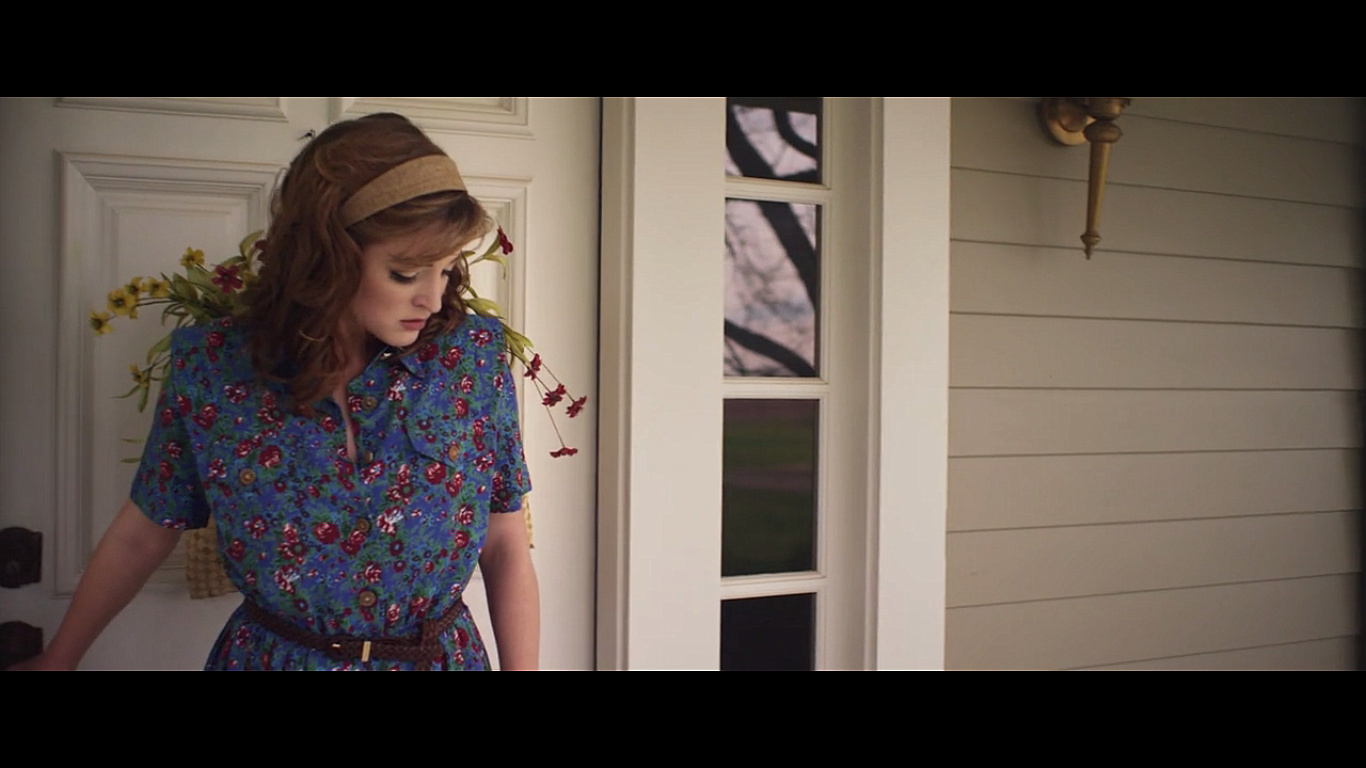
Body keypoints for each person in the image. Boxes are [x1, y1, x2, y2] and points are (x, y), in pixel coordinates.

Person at [20, 113, 539, 670]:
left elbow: (504, 543)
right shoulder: (215, 370)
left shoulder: (472, 360)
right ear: (328, 256)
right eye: (405, 274)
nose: (433, 300)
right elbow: (143, 534)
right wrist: (58, 661)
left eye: (447, 269)